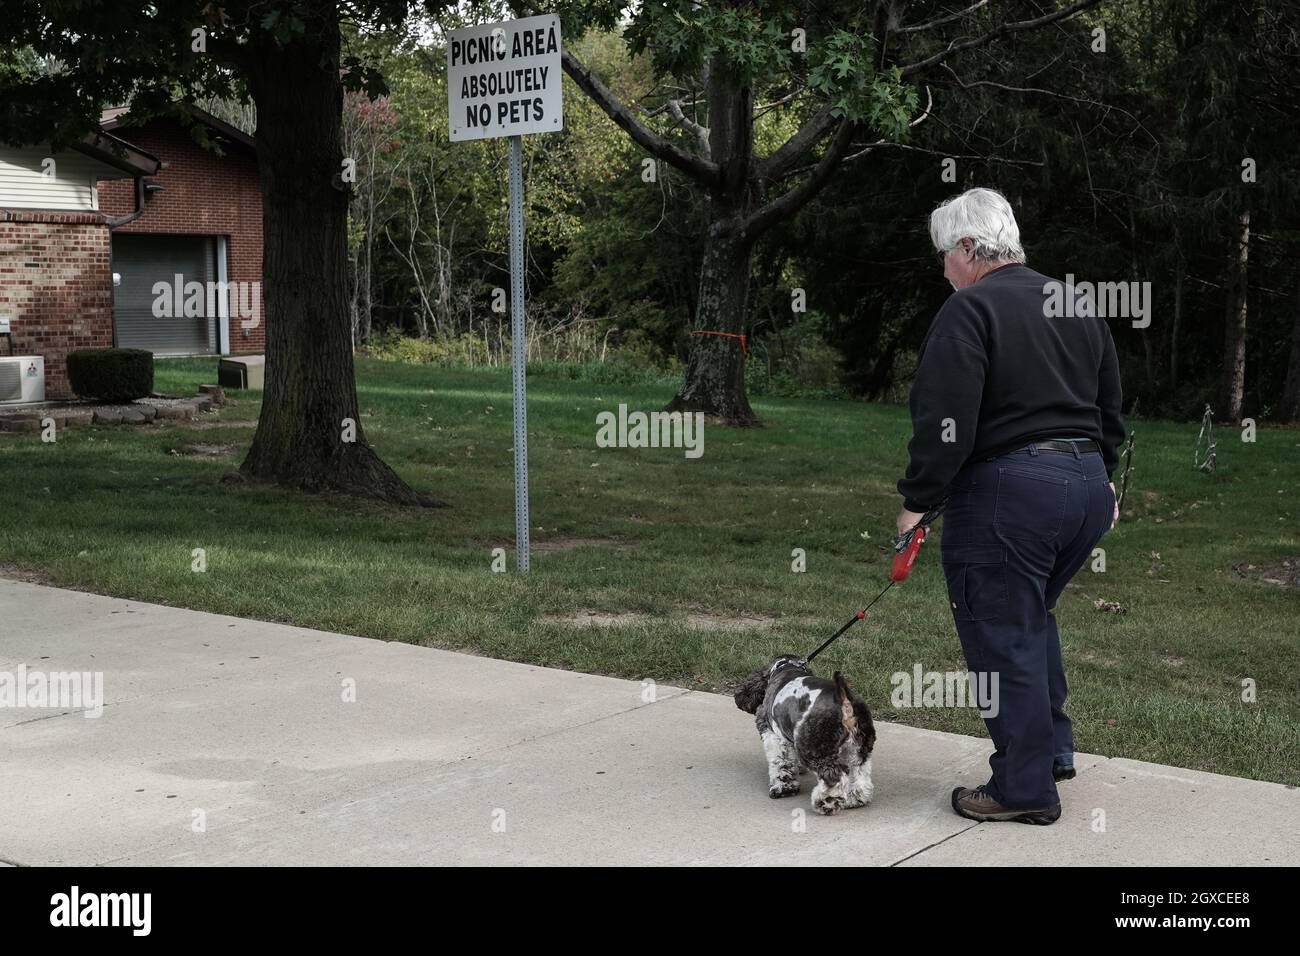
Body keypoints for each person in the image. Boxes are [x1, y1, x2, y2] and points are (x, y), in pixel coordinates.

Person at [896, 187, 1125, 825]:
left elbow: (945, 421)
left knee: (1002, 637)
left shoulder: (969, 311)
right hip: (1081, 488)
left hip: (1009, 493)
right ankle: (1050, 749)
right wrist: (1103, 482)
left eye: (945, 254)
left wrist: (917, 502)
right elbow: (1110, 411)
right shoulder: (1075, 301)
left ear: (969, 248)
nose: (943, 268)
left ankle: (1022, 788)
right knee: (1029, 619)